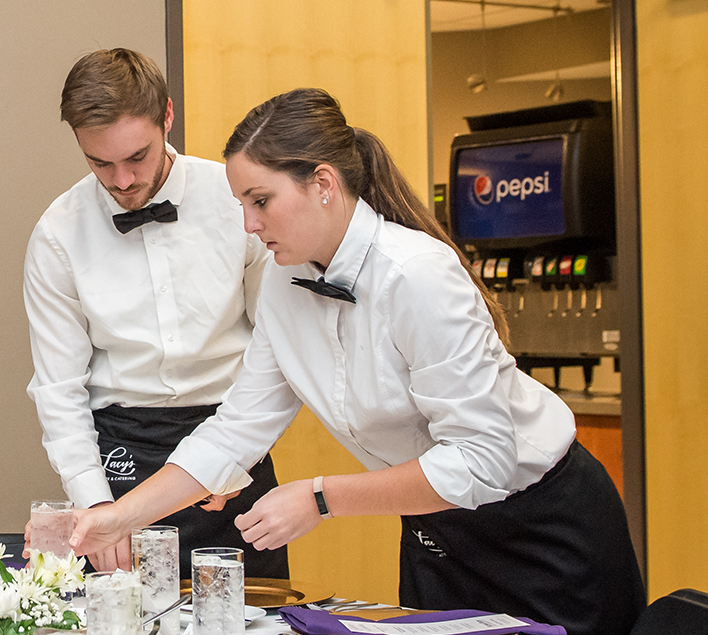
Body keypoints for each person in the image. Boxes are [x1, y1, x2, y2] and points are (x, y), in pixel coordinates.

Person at [68, 88, 644, 635]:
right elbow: (236, 429)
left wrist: (321, 496)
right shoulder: (283, 283)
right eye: (241, 204)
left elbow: (483, 461)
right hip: (438, 533)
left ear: (323, 183)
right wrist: (118, 518)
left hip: (543, 531)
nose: (249, 224)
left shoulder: (417, 275)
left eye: (260, 201)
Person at [22, 48, 284, 577]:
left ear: (167, 116)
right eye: (100, 163)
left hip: (233, 431)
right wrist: (95, 504)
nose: (121, 180)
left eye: (137, 156)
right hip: (121, 453)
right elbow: (58, 389)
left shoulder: (237, 203)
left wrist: (239, 456)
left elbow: (278, 344)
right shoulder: (58, 234)